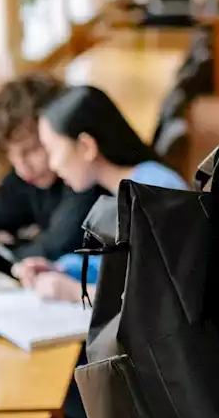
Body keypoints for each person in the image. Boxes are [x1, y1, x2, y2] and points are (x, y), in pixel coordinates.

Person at [13, 84, 187, 301]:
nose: (53, 165)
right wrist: (58, 269)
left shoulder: (156, 189)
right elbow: (110, 267)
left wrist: (75, 293)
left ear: (86, 147)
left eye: (52, 150)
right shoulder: (118, 194)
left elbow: (160, 299)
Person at [0, 73, 103, 279]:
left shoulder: (84, 178)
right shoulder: (28, 178)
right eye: (12, 155)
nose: (22, 168)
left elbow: (53, 249)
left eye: (32, 149)